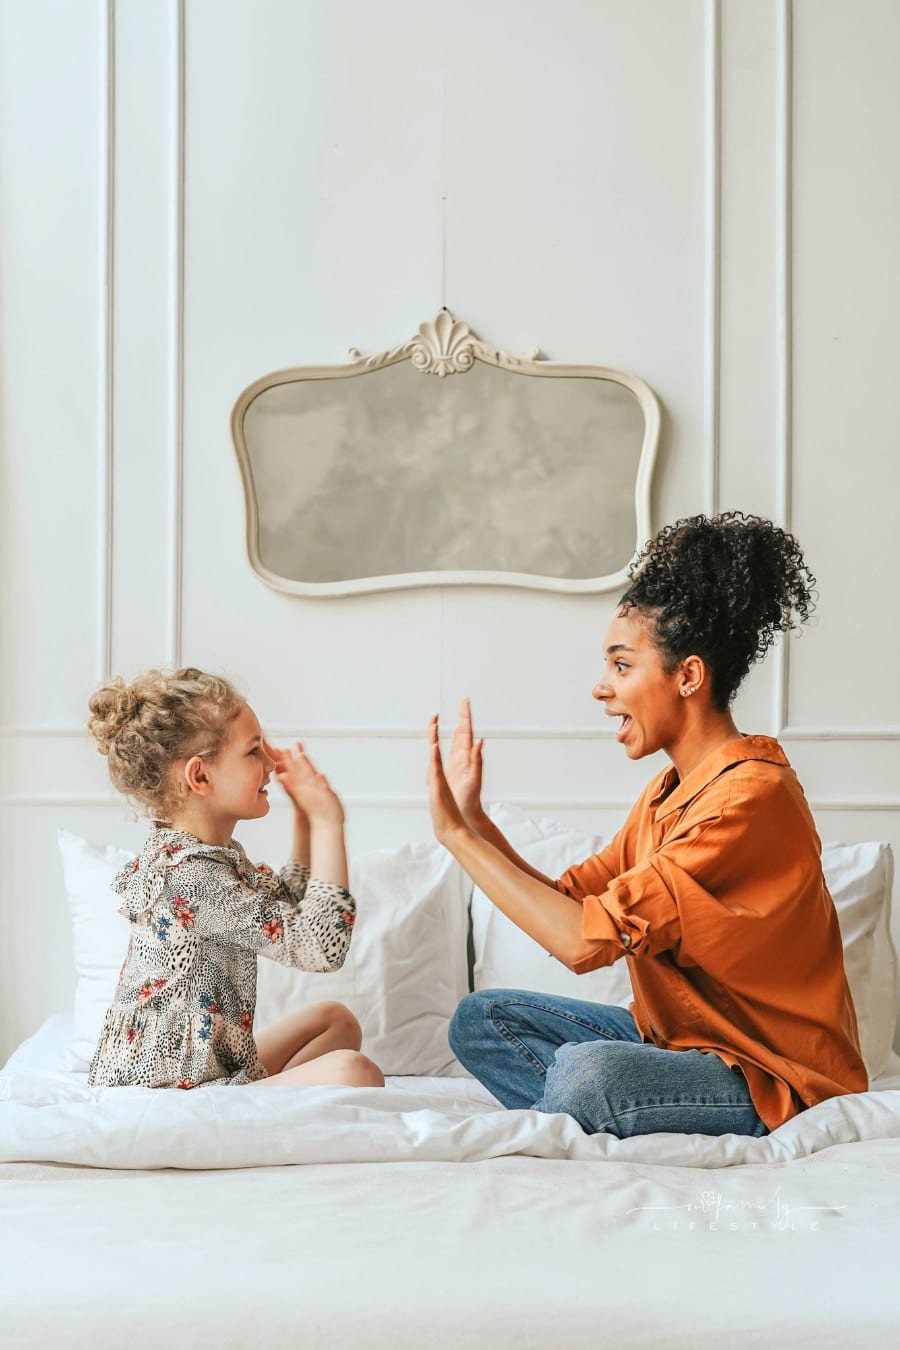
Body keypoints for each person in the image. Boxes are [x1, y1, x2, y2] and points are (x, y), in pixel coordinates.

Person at [427, 512, 867, 1138]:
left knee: (587, 1075)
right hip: (679, 1043)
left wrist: (458, 840)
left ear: (687, 675)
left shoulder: (751, 798)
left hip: (772, 1078)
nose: (602, 690)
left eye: (622, 666)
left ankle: (591, 1110)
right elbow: (572, 905)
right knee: (481, 1019)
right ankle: (609, 1114)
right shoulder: (664, 795)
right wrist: (475, 823)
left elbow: (584, 944)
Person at [86, 667, 383, 1091]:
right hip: (162, 1091)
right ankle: (250, 1101)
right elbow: (320, 947)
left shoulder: (207, 855)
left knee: (336, 1022)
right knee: (356, 1072)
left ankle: (256, 1096)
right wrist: (329, 821)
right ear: (200, 776)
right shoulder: (188, 877)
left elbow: (290, 908)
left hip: (205, 1062)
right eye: (253, 752)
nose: (270, 764)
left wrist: (304, 820)